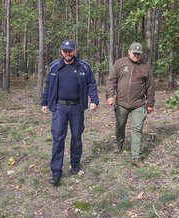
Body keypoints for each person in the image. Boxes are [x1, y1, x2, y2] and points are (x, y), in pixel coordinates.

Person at [41, 39, 99, 186]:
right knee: (58, 138)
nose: (67, 53)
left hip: (77, 107)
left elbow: (91, 83)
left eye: (70, 50)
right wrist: (44, 102)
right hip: (59, 107)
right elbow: (48, 85)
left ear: (74, 51)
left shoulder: (83, 66)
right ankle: (56, 172)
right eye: (65, 50)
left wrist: (94, 100)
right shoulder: (54, 67)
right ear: (61, 51)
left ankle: (75, 164)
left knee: (76, 136)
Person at [106, 42, 155, 167]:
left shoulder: (145, 66)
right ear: (129, 52)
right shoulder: (120, 63)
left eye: (139, 54)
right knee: (120, 125)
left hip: (138, 104)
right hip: (121, 103)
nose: (137, 56)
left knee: (137, 129)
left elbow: (150, 86)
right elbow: (112, 80)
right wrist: (110, 96)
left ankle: (136, 157)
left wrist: (150, 103)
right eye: (135, 53)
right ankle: (119, 142)